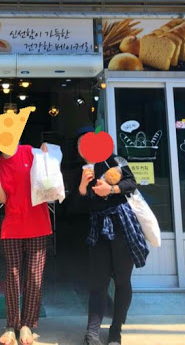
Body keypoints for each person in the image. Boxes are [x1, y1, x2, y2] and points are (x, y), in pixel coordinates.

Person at [76, 126, 149, 345]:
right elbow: (79, 204)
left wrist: (111, 189)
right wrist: (83, 185)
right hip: (98, 229)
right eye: (80, 145)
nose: (84, 148)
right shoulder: (84, 170)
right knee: (98, 281)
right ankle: (92, 332)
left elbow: (131, 183)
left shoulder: (115, 161)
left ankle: (116, 329)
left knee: (122, 280)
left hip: (122, 226)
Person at [0, 142, 52, 345]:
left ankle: (27, 325)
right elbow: (3, 199)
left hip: (38, 224)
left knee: (34, 277)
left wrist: (47, 154)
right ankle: (11, 325)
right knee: (12, 277)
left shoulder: (29, 152)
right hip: (12, 227)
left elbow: (48, 178)